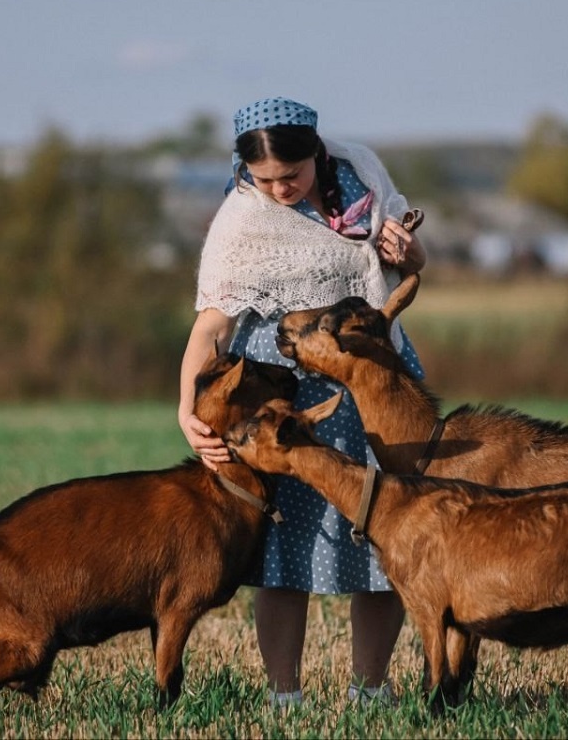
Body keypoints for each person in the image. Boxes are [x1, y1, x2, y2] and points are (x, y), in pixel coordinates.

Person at [177, 97, 427, 708]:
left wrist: (403, 253)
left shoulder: (362, 172)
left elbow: (415, 265)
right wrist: (188, 408)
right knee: (288, 547)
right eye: (264, 179)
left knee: (388, 527)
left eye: (290, 174)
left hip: (372, 372)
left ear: (316, 152)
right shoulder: (241, 219)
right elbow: (212, 325)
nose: (279, 188)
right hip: (281, 386)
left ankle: (372, 689)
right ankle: (284, 696)